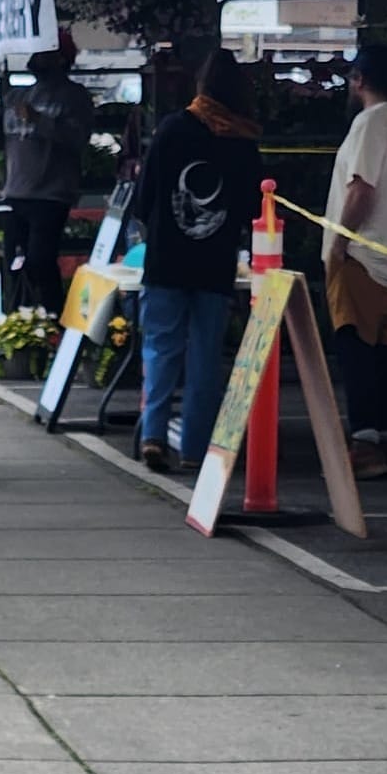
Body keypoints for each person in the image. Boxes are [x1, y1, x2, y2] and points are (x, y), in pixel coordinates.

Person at [132, 50, 263, 473]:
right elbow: (249, 208)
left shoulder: (172, 129)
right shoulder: (243, 139)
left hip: (167, 259)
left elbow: (145, 197)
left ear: (200, 86)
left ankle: (153, 434)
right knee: (206, 356)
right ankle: (195, 446)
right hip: (214, 263)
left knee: (161, 348)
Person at [324, 41, 387, 479]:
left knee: (356, 349)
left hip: (367, 254)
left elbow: (361, 188)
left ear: (360, 79)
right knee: (386, 352)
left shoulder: (371, 122)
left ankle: (364, 444)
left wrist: (339, 243)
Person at [3, 29, 95, 313]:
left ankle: (54, 316)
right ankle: (20, 321)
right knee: (13, 263)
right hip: (16, 191)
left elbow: (77, 139)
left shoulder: (75, 97)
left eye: (43, 51)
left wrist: (40, 120)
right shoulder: (18, 95)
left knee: (40, 259)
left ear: (59, 58)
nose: (35, 56)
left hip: (51, 193)